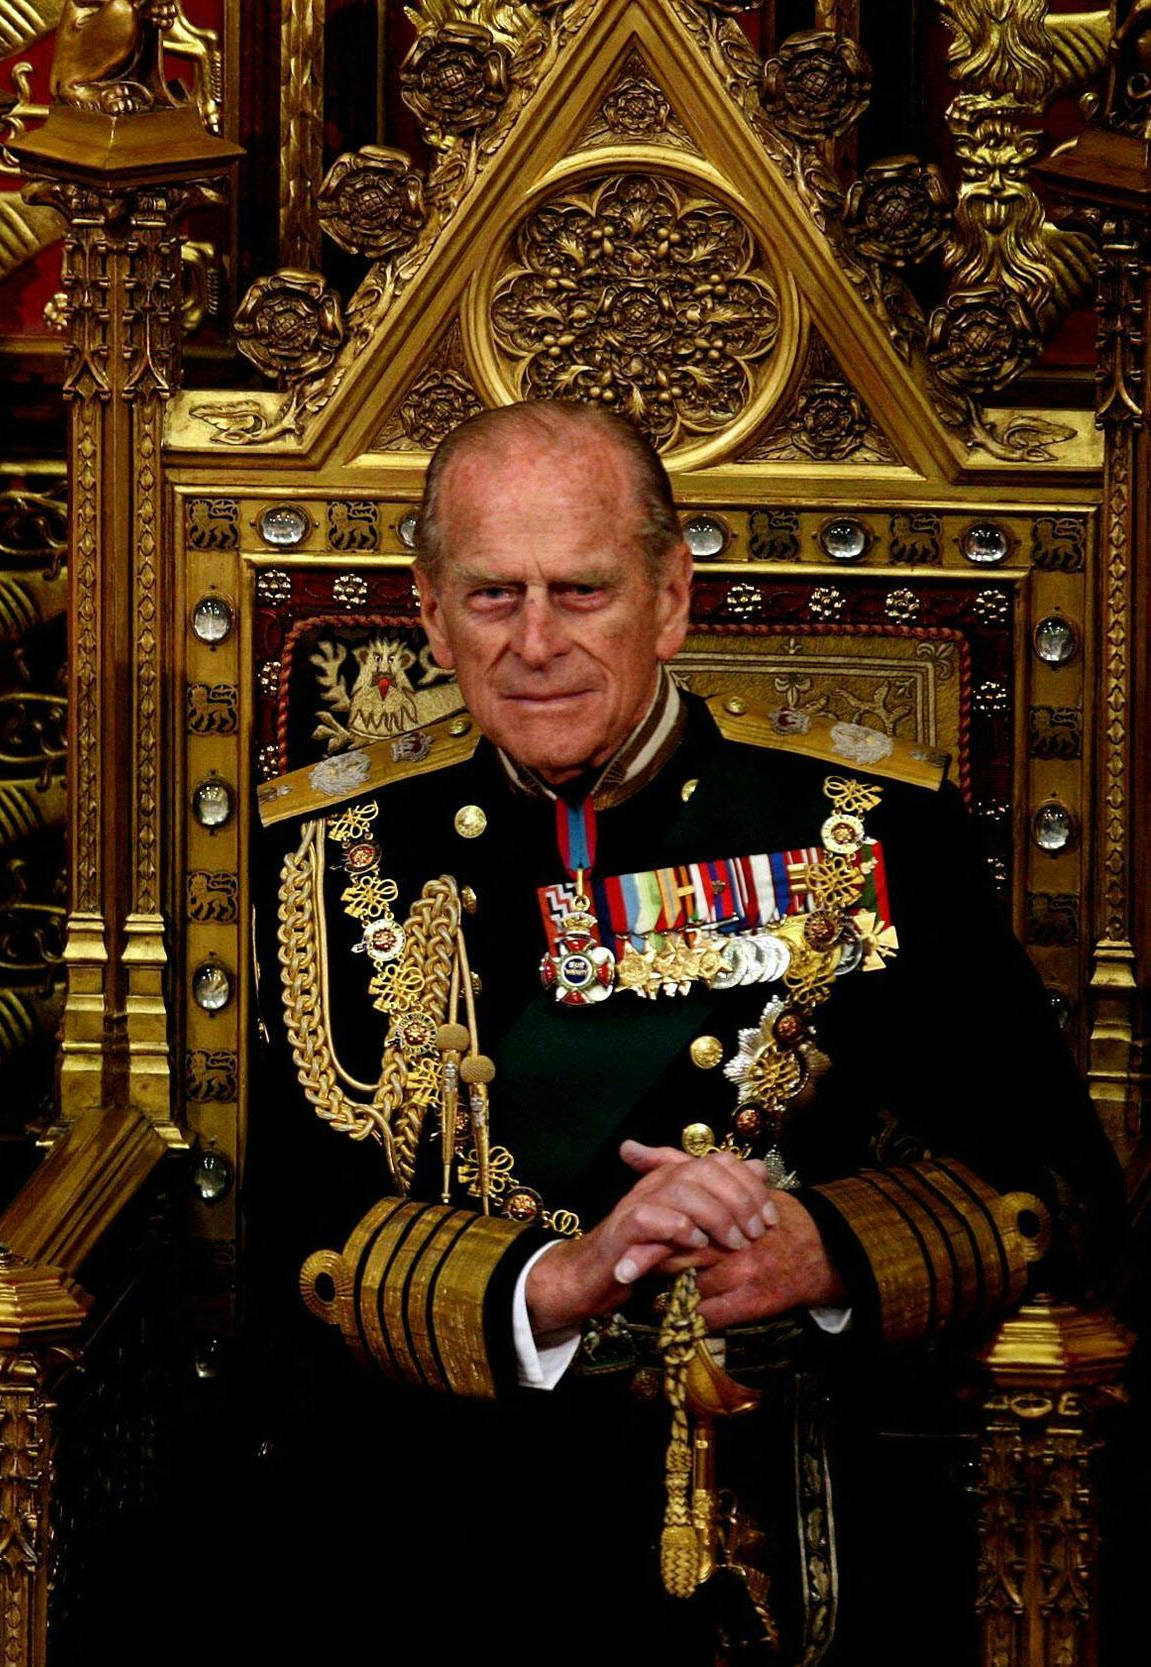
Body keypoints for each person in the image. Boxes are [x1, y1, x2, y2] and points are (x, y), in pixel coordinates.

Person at [244, 399, 1120, 1658]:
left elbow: (1062, 1191)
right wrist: (560, 1279)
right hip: (442, 1493)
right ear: (427, 615)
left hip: (782, 1473)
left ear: (669, 600)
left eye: (581, 592)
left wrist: (826, 1251)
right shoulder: (328, 853)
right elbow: (293, 1235)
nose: (534, 642)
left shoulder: (866, 828)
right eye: (492, 597)